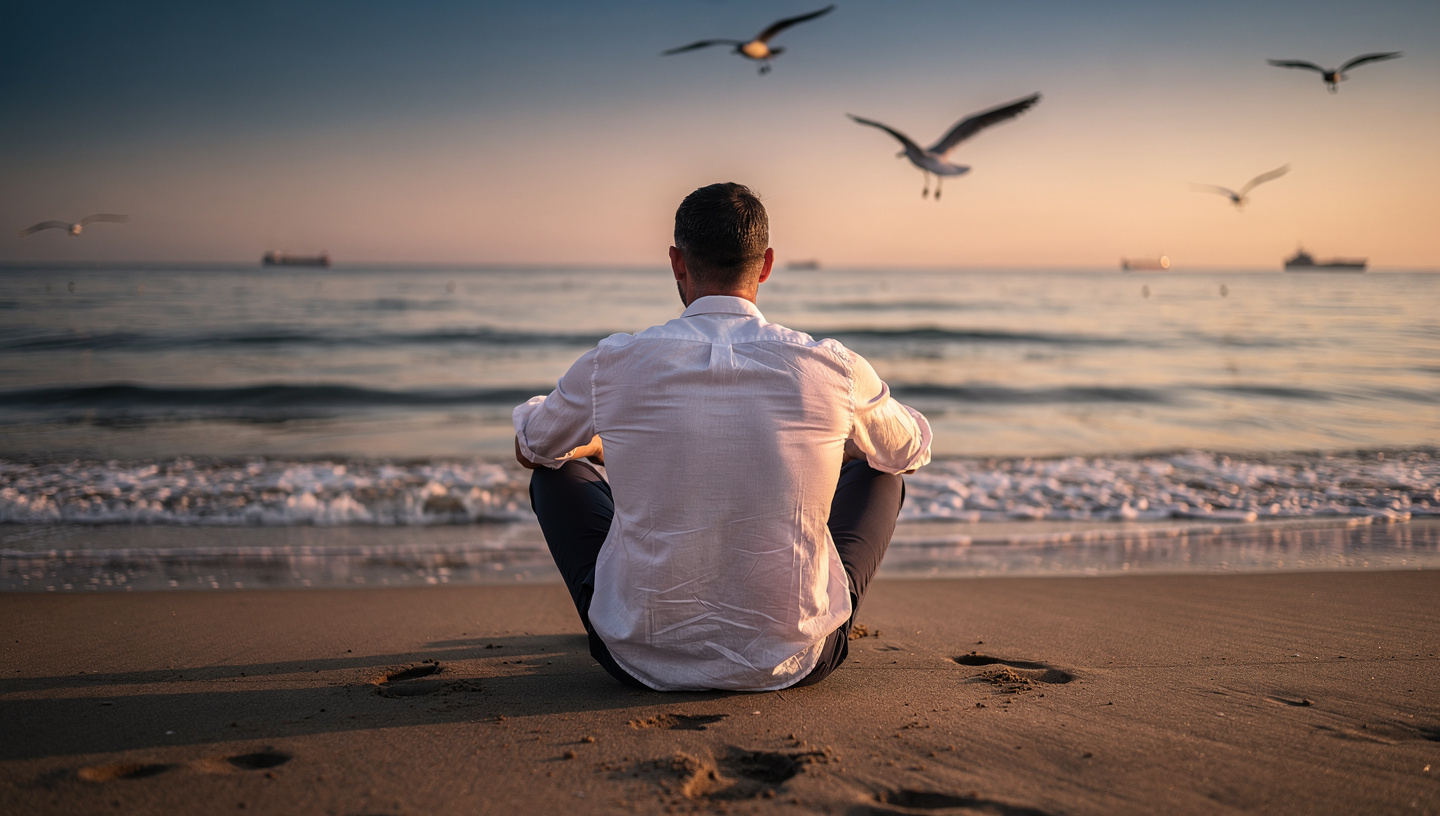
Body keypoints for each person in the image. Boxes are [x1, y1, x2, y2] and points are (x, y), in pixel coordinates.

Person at [513, 182, 931, 691]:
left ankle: (642, 613)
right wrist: (830, 441)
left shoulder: (614, 363)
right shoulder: (830, 367)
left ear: (677, 263)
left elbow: (531, 446)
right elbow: (911, 450)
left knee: (555, 474)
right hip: (795, 659)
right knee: (881, 469)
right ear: (767, 264)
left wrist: (599, 445)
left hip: (637, 659)